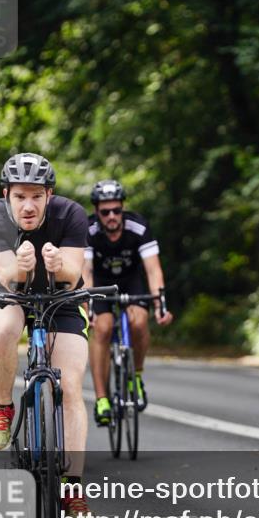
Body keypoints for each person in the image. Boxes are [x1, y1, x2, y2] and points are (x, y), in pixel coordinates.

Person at [0, 152, 94, 518]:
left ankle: (72, 490)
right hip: (9, 289)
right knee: (0, 331)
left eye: (36, 196)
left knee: (70, 385)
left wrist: (59, 266)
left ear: (49, 195)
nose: (28, 205)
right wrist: (22, 267)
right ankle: (2, 409)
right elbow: (8, 276)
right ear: (6, 194)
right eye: (20, 196)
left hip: (61, 296)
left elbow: (74, 275)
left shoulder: (71, 214)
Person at [82, 180, 173, 426]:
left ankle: (136, 377)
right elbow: (86, 272)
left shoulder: (138, 226)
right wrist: (88, 307)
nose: (112, 216)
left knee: (139, 322)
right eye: (105, 212)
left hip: (130, 280)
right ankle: (102, 399)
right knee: (102, 327)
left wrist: (160, 305)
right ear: (97, 212)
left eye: (116, 210)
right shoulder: (88, 230)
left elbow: (153, 271)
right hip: (100, 283)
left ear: (122, 208)